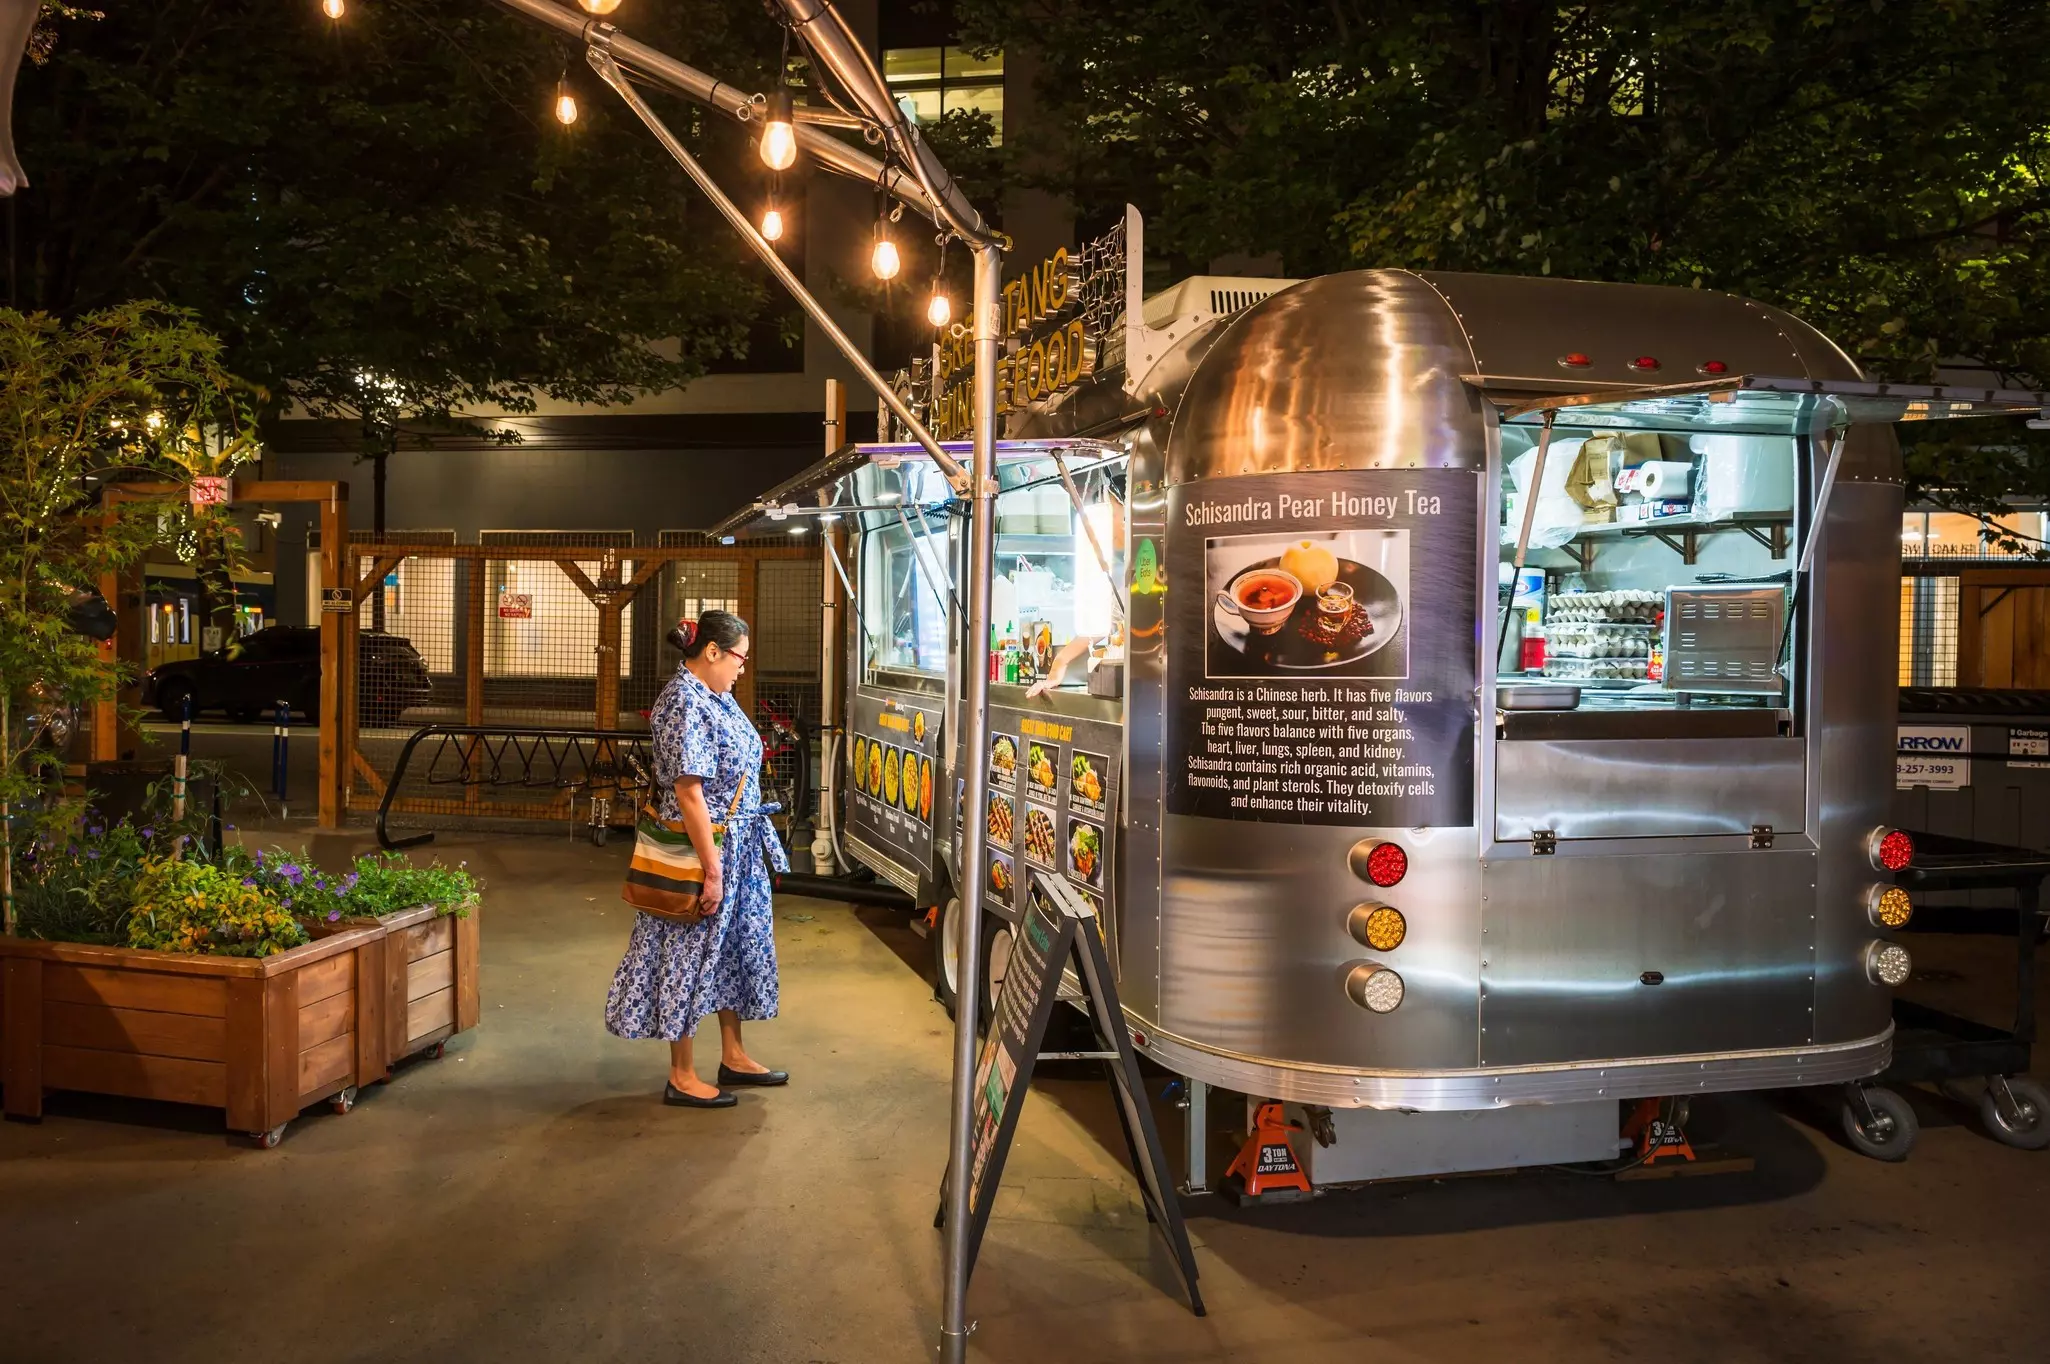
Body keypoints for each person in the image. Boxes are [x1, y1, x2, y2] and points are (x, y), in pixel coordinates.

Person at [605, 610, 790, 1108]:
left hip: (738, 846)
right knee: (686, 956)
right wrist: (712, 872)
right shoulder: (686, 701)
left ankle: (733, 1054)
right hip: (701, 851)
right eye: (739, 658)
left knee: (731, 950)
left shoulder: (718, 698)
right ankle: (682, 1073)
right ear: (712, 651)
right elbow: (689, 792)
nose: (742, 668)